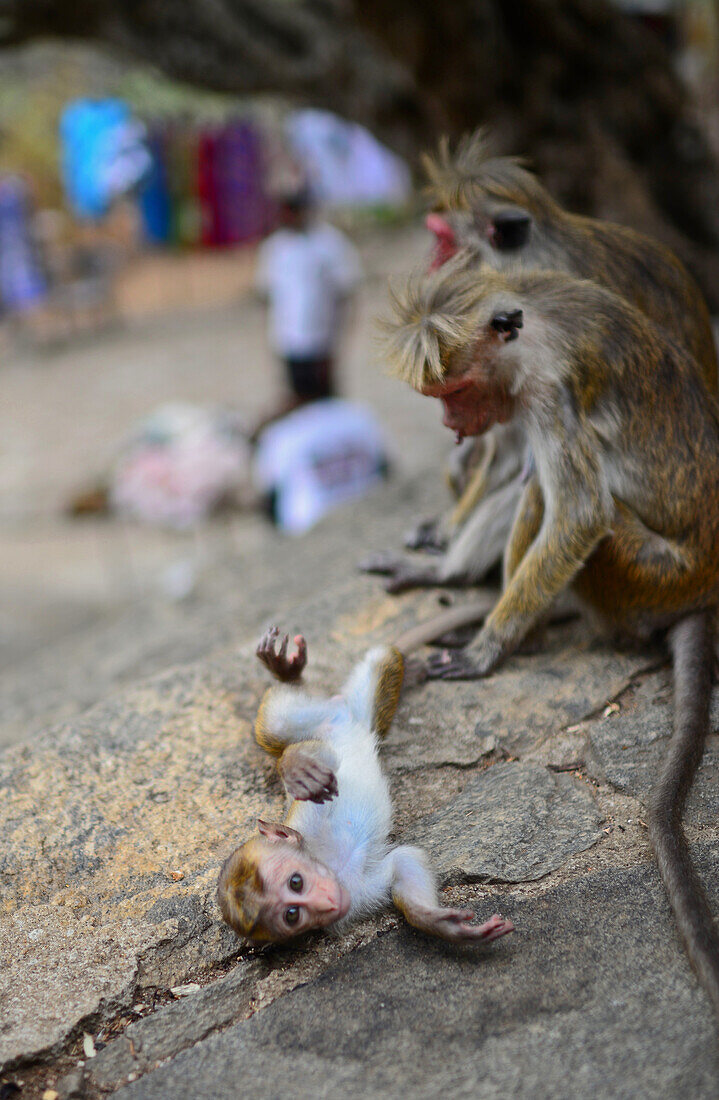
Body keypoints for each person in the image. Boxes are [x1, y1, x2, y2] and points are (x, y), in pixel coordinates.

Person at [253, 189, 361, 431]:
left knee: (326, 402)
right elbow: (267, 295)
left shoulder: (331, 243)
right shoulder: (274, 248)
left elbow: (345, 294)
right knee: (298, 400)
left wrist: (340, 338)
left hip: (322, 339)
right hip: (289, 339)